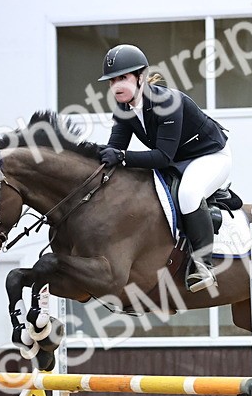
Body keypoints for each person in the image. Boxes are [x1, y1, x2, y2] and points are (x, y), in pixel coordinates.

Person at [97, 44, 231, 292]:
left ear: (141, 77)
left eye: (123, 78)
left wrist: (122, 156)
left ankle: (203, 265)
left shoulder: (167, 102)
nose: (116, 86)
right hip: (177, 160)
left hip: (209, 156)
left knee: (189, 195)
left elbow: (161, 158)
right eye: (112, 81)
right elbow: (114, 149)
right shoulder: (124, 109)